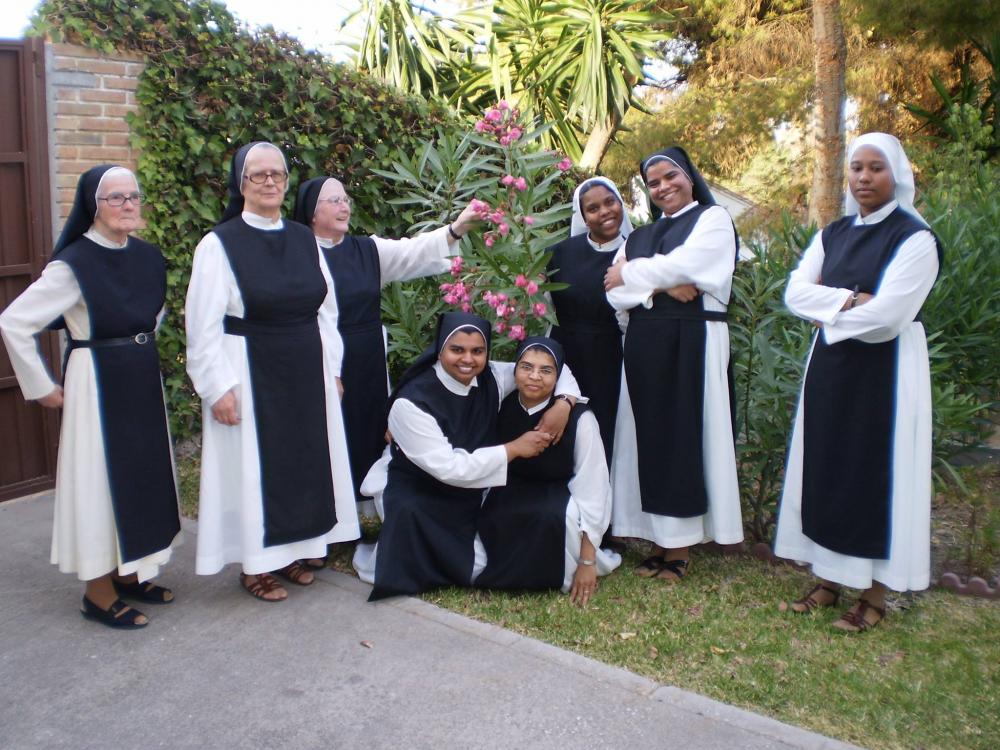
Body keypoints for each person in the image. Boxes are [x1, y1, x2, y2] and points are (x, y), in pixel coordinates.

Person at [0, 165, 181, 629]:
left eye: (132, 196)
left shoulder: (148, 255)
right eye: (114, 198)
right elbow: (14, 322)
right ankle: (98, 594)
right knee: (100, 484)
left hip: (139, 376)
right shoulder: (73, 264)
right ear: (92, 207)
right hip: (96, 380)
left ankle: (130, 571)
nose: (126, 205)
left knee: (142, 475)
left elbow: (152, 313)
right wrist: (40, 388)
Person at [773, 133, 941, 632]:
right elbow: (795, 293)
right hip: (831, 368)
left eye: (876, 168)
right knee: (826, 467)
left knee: (874, 476)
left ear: (897, 175)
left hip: (886, 374)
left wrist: (830, 305)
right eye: (857, 168)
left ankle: (874, 595)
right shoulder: (834, 232)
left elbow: (890, 317)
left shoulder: (915, 239)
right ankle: (828, 581)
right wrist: (850, 301)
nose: (864, 178)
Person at [185, 142, 358, 602]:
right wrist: (216, 386)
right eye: (257, 175)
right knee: (254, 469)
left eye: (277, 175)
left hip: (305, 368)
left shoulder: (304, 238)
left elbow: (327, 309)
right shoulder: (218, 244)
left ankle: (293, 553)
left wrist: (333, 368)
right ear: (240, 182)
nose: (268, 182)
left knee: (305, 462)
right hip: (247, 369)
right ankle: (254, 565)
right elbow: (201, 325)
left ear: (286, 181)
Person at [352, 312, 585, 601]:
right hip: (422, 487)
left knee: (495, 551)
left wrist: (563, 403)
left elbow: (554, 369)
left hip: (476, 483)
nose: (468, 359)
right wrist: (514, 449)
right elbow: (449, 467)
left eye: (478, 351)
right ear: (440, 348)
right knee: (463, 559)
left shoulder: (493, 377)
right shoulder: (410, 403)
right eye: (457, 350)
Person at [293, 177, 480, 515]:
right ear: (311, 211)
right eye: (333, 200)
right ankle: (321, 514)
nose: (344, 206)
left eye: (345, 198)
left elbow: (413, 251)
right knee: (322, 434)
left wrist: (456, 228)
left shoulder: (367, 250)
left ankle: (358, 509)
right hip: (315, 354)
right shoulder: (296, 254)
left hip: (365, 356)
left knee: (366, 426)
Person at [603, 146, 743, 582]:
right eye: (654, 183)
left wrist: (636, 276)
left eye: (670, 177)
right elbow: (611, 289)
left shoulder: (713, 220)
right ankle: (660, 542)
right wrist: (659, 288)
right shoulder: (638, 236)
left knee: (685, 436)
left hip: (693, 340)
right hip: (646, 345)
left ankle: (680, 549)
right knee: (650, 439)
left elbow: (693, 264)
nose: (663, 187)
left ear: (689, 176)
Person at [474, 337, 621, 605]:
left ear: (558, 377)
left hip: (558, 493)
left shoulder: (581, 419)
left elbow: (594, 488)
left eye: (546, 370)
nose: (534, 377)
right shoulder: (499, 404)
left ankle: (557, 573)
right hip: (506, 489)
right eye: (526, 367)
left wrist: (587, 561)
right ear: (514, 370)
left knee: (561, 517)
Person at [545, 177, 634, 466]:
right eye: (593, 208)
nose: (604, 211)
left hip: (615, 356)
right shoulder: (559, 253)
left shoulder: (639, 251)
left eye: (610, 202)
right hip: (567, 354)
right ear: (583, 216)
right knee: (566, 433)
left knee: (610, 435)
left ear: (621, 203)